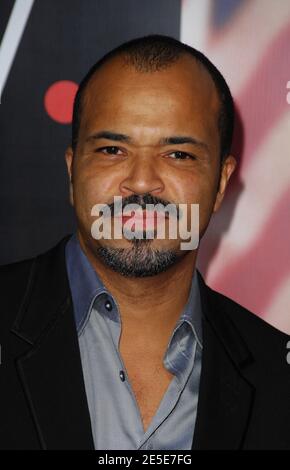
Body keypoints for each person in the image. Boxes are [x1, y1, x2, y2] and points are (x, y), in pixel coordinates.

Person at [0, 35, 289, 451]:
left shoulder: (278, 374)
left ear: (222, 183)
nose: (141, 181)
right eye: (113, 149)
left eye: (178, 155)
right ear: (72, 170)